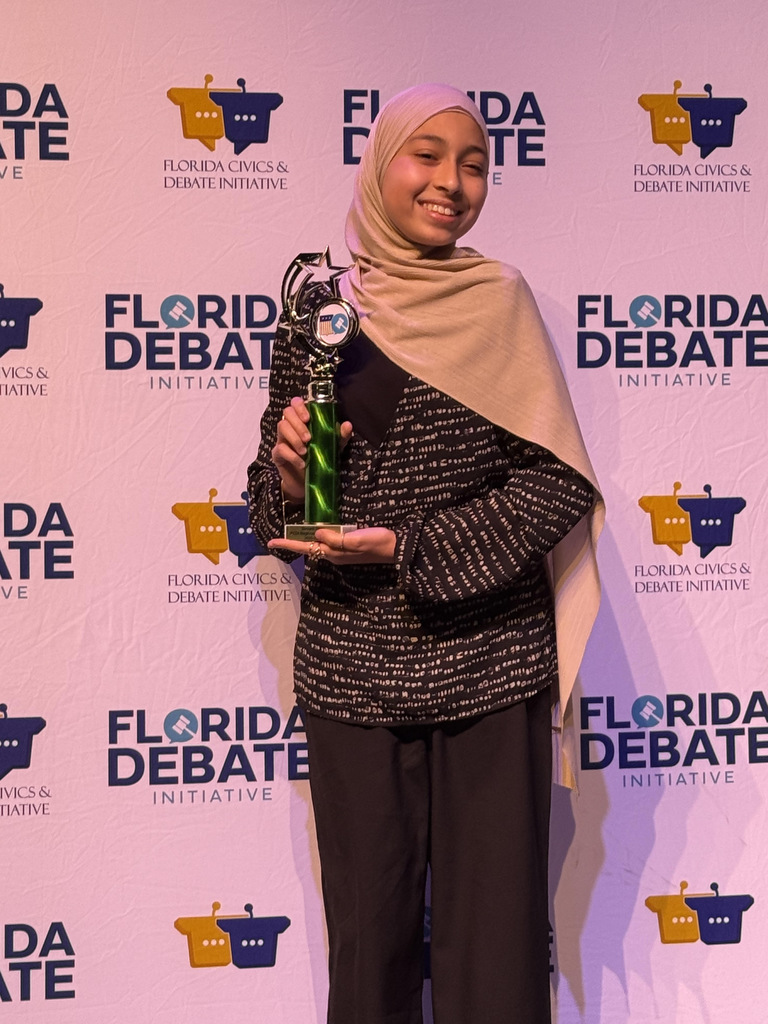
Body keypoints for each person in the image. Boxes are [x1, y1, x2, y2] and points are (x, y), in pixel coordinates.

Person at [248, 83, 603, 1024]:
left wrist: (411, 547)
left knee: (497, 957)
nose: (453, 182)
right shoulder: (320, 305)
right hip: (353, 674)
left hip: (490, 668)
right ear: (381, 164)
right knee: (369, 954)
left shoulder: (501, 301)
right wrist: (285, 484)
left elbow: (558, 484)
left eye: (476, 163)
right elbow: (264, 501)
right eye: (428, 155)